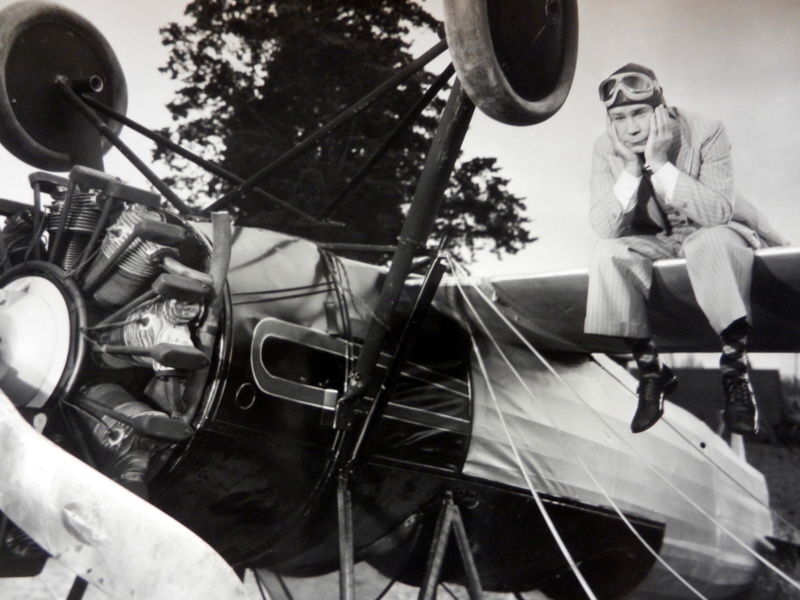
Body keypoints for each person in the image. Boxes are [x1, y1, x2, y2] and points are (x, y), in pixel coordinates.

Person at [584, 63, 787, 434]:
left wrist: (659, 163)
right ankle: (651, 373)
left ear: (661, 108)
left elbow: (716, 213)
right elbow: (604, 227)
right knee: (606, 253)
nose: (629, 128)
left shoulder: (706, 131)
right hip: (660, 241)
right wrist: (631, 169)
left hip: (720, 232)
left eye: (639, 114)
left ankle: (735, 373)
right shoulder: (605, 148)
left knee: (706, 241)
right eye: (619, 117)